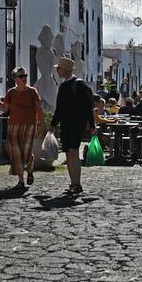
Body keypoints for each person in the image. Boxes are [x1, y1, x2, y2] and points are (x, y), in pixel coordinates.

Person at [48, 57, 95, 195]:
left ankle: (77, 183)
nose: (57, 71)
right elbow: (59, 108)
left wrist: (92, 125)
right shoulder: (62, 86)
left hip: (77, 124)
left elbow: (88, 106)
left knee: (74, 151)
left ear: (65, 69)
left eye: (59, 68)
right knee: (68, 153)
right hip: (66, 124)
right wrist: (53, 125)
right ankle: (73, 182)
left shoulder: (79, 85)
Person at [0, 67, 44, 189]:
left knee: (27, 152)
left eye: (25, 76)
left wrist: (41, 125)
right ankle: (21, 180)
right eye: (21, 76)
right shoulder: (11, 93)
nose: (24, 78)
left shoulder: (32, 91)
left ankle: (29, 171)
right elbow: (4, 109)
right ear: (15, 79)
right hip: (13, 125)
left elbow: (39, 109)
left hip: (30, 125)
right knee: (16, 153)